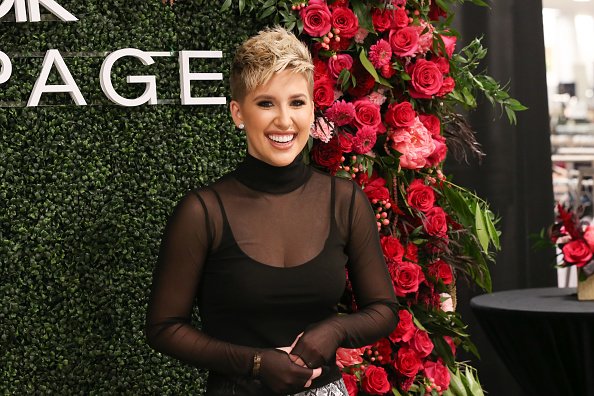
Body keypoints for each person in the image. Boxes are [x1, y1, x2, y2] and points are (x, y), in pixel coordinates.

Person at [145, 26, 398, 396]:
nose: (284, 120)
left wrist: (335, 329)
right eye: (266, 103)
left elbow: (384, 309)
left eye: (297, 102)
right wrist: (256, 363)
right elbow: (164, 328)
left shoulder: (344, 200)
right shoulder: (203, 212)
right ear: (237, 113)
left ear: (312, 109)